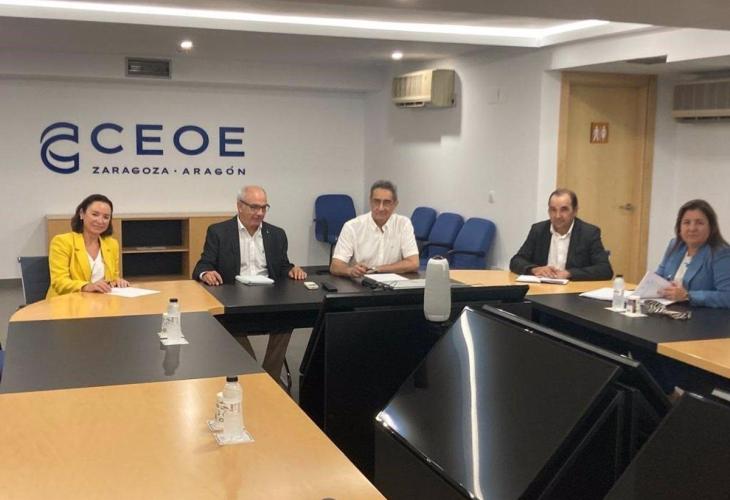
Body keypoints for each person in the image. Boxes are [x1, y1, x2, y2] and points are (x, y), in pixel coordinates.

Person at [192, 185, 306, 382]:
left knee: (287, 321)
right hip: (234, 300)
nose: (260, 213)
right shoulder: (219, 232)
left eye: (264, 207)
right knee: (228, 325)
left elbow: (282, 266)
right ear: (239, 206)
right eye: (254, 207)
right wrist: (206, 273)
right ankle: (254, 375)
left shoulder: (276, 234)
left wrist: (291, 269)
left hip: (268, 298)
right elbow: (202, 265)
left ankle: (269, 377)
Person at [510, 188, 613, 281]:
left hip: (573, 291)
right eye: (553, 210)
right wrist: (534, 269)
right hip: (541, 289)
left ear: (575, 211)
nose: (557, 216)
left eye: (564, 210)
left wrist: (569, 273)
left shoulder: (588, 233)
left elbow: (605, 269)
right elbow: (516, 261)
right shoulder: (538, 230)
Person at [330, 180, 419, 278]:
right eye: (376, 201)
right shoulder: (352, 226)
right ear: (370, 201)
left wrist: (377, 269)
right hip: (361, 281)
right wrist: (350, 271)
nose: (381, 208)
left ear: (395, 204)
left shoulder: (403, 224)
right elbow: (335, 266)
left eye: (386, 202)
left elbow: (413, 263)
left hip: (394, 282)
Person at [47, 194, 129, 298]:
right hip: (67, 302)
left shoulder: (112, 244)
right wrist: (86, 286)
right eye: (95, 214)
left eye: (106, 217)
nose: (100, 221)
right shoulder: (62, 242)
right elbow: (59, 282)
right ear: (82, 214)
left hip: (102, 301)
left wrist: (117, 281)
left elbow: (113, 277)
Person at [655, 199, 730, 308]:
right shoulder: (675, 245)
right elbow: (658, 277)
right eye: (687, 222)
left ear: (711, 227)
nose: (692, 228)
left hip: (702, 316)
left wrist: (687, 296)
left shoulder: (721, 253)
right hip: (668, 310)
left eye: (699, 223)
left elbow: (727, 296)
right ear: (679, 227)